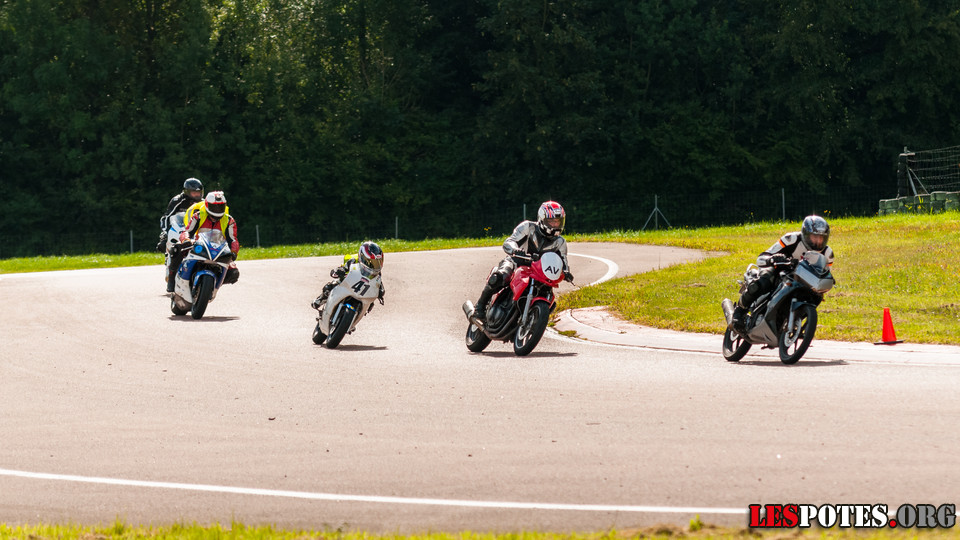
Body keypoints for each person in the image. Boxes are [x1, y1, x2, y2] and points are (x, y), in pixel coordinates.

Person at [730, 215, 834, 333]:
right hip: (779, 271)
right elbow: (763, 256)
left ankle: (795, 320)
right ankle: (739, 311)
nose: (818, 241)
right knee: (764, 281)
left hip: (803, 280)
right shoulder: (791, 239)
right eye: (814, 237)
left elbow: (824, 273)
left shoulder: (827, 253)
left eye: (821, 238)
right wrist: (773, 258)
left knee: (817, 297)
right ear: (805, 234)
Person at [473, 200, 574, 321]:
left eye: (558, 221)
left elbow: (563, 261)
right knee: (500, 276)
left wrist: (566, 272)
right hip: (516, 262)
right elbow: (509, 241)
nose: (555, 224)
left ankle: (533, 320)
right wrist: (515, 250)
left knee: (549, 297)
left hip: (539, 272)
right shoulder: (528, 227)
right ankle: (480, 306)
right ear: (542, 219)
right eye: (551, 221)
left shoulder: (560, 242)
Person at [167, 190, 240, 292]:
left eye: (220, 206)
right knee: (175, 249)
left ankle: (212, 284)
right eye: (214, 207)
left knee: (234, 273)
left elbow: (233, 239)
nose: (217, 210)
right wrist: (186, 240)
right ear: (207, 205)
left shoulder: (229, 220)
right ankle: (171, 280)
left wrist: (234, 251)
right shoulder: (198, 216)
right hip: (198, 246)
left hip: (219, 249)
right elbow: (187, 231)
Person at [311, 241, 386, 310]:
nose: (374, 265)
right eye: (371, 262)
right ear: (362, 257)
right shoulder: (353, 260)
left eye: (377, 262)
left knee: (370, 304)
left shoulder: (376, 271)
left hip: (363, 289)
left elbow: (379, 282)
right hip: (348, 281)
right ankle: (320, 300)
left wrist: (380, 291)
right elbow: (341, 269)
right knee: (330, 286)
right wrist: (338, 271)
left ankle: (358, 314)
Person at [156, 178, 204, 253]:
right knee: (162, 244)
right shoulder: (178, 200)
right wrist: (165, 232)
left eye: (199, 192)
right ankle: (169, 255)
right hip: (179, 228)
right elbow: (166, 217)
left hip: (197, 230)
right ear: (187, 191)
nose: (197, 195)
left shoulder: (203, 203)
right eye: (194, 193)